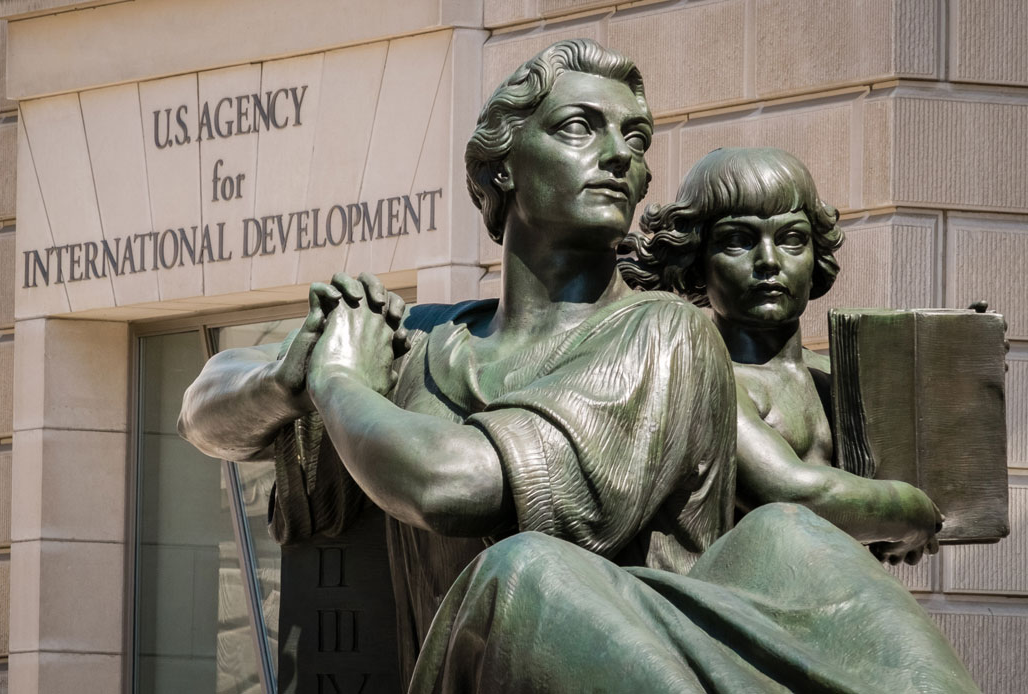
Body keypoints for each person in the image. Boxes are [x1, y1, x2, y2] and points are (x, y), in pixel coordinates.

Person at [181, 46, 978, 692]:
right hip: (471, 673)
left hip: (640, 658)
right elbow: (206, 413)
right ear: (500, 171)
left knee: (544, 572)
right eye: (578, 128)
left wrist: (340, 380)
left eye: (634, 141)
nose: (617, 158)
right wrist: (289, 371)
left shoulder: (661, 335)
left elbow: (449, 484)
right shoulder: (429, 346)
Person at [621, 147, 942, 565]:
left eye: (792, 239)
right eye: (738, 241)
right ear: (695, 262)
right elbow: (791, 495)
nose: (769, 261)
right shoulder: (705, 379)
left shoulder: (834, 377)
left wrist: (966, 376)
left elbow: (929, 475)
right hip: (737, 611)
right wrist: (908, 511)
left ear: (815, 256)